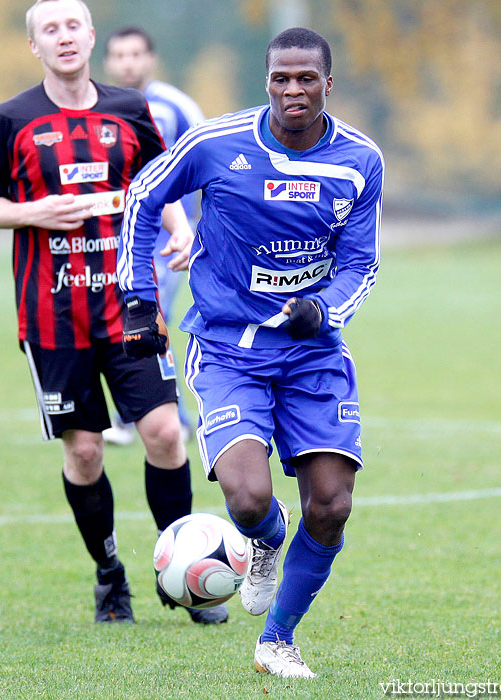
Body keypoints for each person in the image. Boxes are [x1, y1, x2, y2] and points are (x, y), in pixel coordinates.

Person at [117, 26, 384, 677]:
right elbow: (143, 196)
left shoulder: (360, 159)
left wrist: (324, 310)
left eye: (305, 79)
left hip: (310, 351)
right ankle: (265, 540)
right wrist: (137, 298)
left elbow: (360, 263)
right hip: (228, 346)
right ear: (266, 81)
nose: (292, 90)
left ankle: (277, 640)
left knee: (332, 503)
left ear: (328, 83)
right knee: (244, 498)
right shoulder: (217, 143)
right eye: (280, 79)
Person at [0, 0, 228, 625]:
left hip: (128, 303)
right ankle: (109, 573)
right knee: (84, 452)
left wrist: (179, 229)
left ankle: (183, 570)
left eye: (72, 26)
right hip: (52, 314)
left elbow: (157, 180)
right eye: (48, 30)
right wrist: (35, 212)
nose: (63, 38)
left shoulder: (129, 110)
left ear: (90, 37)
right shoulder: (8, 119)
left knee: (165, 435)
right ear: (35, 45)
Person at [102, 26, 204, 446]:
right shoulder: (99, 108)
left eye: (135, 54)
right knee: (125, 316)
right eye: (119, 55)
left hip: (166, 237)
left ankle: (164, 416)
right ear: (107, 62)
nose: (128, 62)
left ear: (151, 59)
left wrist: (194, 226)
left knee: (148, 312)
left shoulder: (176, 106)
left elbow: (207, 158)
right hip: (114, 238)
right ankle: (145, 413)